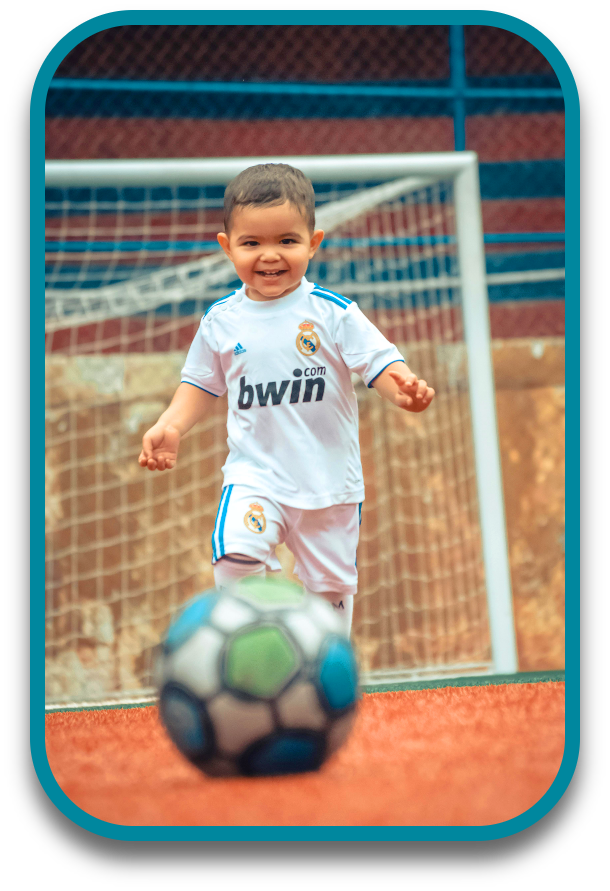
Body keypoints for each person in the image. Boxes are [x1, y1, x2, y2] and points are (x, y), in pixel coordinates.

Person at [139, 163, 435, 637]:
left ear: (314, 243)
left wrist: (403, 388)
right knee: (234, 551)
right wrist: (172, 424)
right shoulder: (220, 321)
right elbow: (200, 385)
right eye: (252, 243)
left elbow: (380, 364)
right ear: (226, 247)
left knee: (330, 595)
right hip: (256, 477)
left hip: (330, 486)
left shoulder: (334, 313)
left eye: (287, 241)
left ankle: (320, 674)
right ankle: (260, 640)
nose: (269, 256)